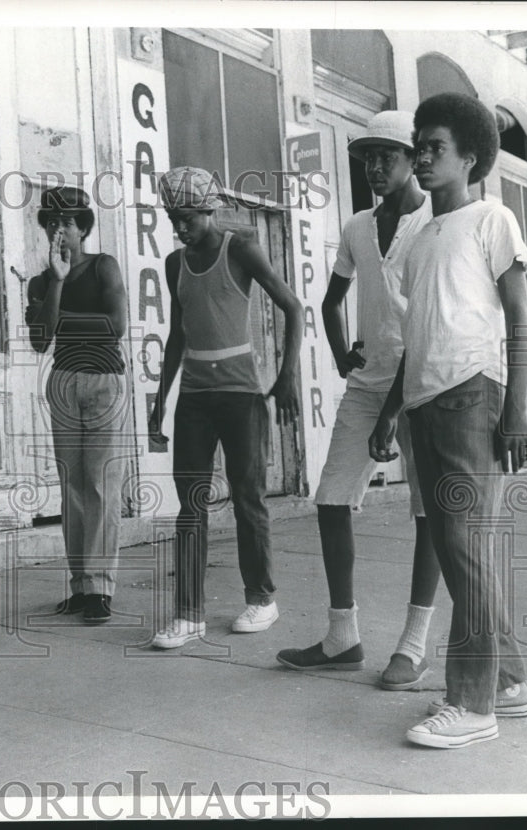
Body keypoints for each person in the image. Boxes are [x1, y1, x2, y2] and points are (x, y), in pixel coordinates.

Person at [369, 92, 527, 748]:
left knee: (467, 546)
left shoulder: (492, 218)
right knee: (455, 549)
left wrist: (519, 405)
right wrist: (391, 411)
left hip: (472, 395)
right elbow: (418, 332)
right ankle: (509, 683)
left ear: (470, 157)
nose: (422, 156)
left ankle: (472, 704)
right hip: (423, 403)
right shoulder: (418, 238)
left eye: (435, 147)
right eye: (420, 146)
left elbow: (522, 316)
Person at [276, 111, 442, 690]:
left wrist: (393, 415)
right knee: (331, 499)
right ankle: (342, 637)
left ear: (413, 158)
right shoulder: (356, 226)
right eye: (367, 157)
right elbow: (330, 301)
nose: (375, 167)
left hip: (424, 383)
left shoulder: (434, 222)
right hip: (369, 383)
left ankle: (412, 645)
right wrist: (341, 352)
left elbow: (425, 322)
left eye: (386, 156)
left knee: (428, 511)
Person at [147, 167, 304, 649]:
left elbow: (293, 307)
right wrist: (160, 400)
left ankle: (262, 598)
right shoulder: (174, 264)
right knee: (190, 504)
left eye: (189, 218)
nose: (180, 227)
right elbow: (177, 336)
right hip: (195, 398)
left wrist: (287, 375)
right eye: (173, 218)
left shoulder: (241, 249)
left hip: (241, 395)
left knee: (248, 498)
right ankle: (188, 614)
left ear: (210, 210)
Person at [25, 186, 129, 624]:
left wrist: (62, 318)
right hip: (64, 380)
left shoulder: (104, 266)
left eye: (67, 222)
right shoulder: (41, 281)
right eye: (52, 222)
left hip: (104, 379)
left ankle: (100, 588)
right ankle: (81, 588)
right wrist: (57, 281)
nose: (59, 230)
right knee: (73, 487)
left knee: (101, 484)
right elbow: (40, 340)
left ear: (83, 228)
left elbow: (115, 326)